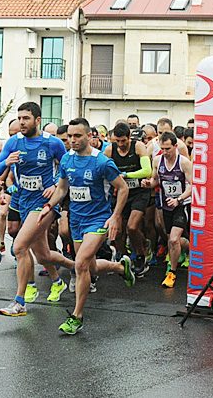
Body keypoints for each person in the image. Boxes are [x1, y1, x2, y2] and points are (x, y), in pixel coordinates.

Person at [38, 117, 136, 334]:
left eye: (77, 136)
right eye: (70, 136)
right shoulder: (66, 160)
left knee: (80, 263)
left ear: (89, 136)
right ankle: (121, 267)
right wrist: (48, 206)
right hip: (77, 220)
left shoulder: (102, 162)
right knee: (89, 267)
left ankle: (77, 316)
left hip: (98, 219)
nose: (72, 140)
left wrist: (116, 216)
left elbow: (123, 188)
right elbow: (62, 189)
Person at [0, 102, 75, 316]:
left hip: (45, 205)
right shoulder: (13, 142)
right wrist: (6, 162)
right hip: (24, 201)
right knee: (44, 255)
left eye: (26, 118)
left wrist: (55, 184)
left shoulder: (53, 143)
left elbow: (67, 169)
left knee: (19, 247)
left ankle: (19, 302)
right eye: (19, 118)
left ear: (38, 120)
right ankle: (75, 269)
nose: (21, 122)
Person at [142, 131, 192, 288]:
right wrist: (148, 183)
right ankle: (193, 247)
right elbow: (155, 179)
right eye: (162, 148)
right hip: (166, 205)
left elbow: (193, 185)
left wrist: (179, 199)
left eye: (168, 149)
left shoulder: (184, 163)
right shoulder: (157, 161)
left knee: (173, 240)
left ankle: (172, 272)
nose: (165, 152)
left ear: (176, 146)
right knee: (172, 240)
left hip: (182, 204)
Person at [105, 122, 152, 275]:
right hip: (119, 193)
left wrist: (125, 175)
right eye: (117, 141)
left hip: (138, 192)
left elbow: (147, 170)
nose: (121, 144)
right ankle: (124, 257)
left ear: (129, 138)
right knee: (117, 231)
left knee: (132, 227)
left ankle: (141, 255)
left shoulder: (138, 146)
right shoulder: (109, 150)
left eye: (123, 141)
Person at [0, 118, 21, 254]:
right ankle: (2, 240)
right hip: (6, 184)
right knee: (3, 213)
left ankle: (19, 245)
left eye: (16, 134)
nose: (13, 137)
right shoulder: (5, 144)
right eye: (11, 134)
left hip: (20, 185)